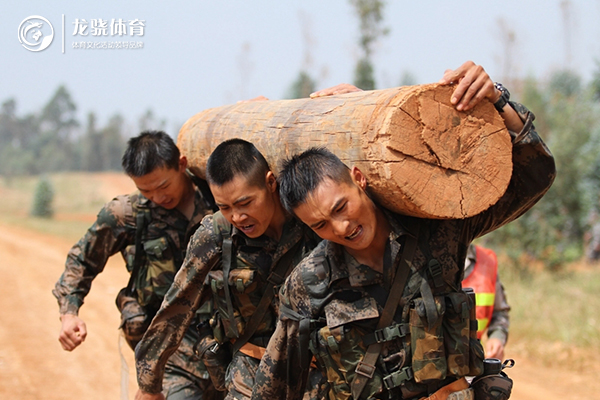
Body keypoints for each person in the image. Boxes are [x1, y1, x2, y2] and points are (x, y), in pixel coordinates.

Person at [251, 61, 556, 400]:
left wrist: (497, 100)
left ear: (358, 178)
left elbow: (534, 176)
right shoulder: (309, 282)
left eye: (341, 207)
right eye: (320, 225)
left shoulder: (437, 231)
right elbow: (273, 386)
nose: (341, 227)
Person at [134, 139, 322, 400]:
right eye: (225, 207)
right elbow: (175, 309)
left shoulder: (312, 221)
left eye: (245, 203)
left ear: (270, 183)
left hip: (314, 378)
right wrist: (149, 385)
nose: (237, 217)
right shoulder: (215, 235)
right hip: (249, 376)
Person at [52, 130, 220, 400]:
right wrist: (69, 312)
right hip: (166, 348)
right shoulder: (127, 214)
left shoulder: (220, 201)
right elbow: (82, 259)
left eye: (163, 186)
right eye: (145, 190)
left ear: (181, 164)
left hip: (223, 342)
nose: (157, 197)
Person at [463, 244, 510, 360]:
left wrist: (497, 337)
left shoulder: (486, 261)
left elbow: (499, 313)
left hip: (471, 360)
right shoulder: (422, 257)